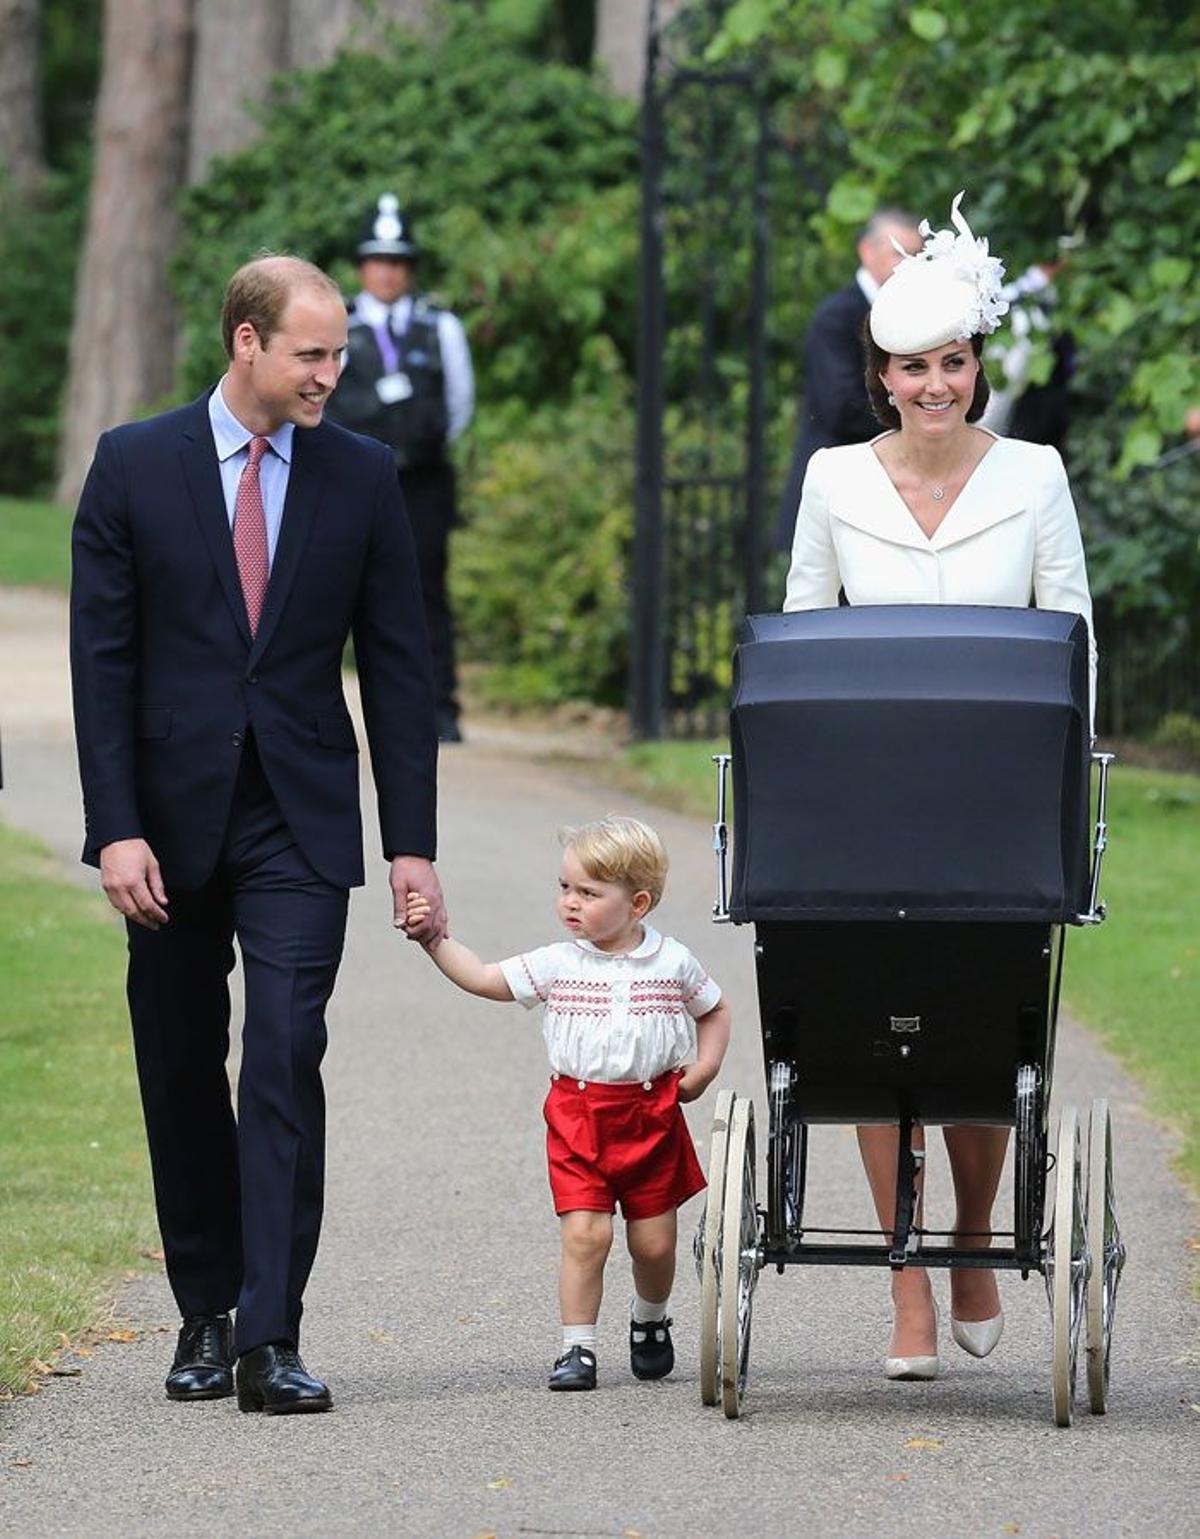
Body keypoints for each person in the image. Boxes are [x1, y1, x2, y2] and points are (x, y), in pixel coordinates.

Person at [69, 254, 446, 1415]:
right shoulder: (135, 465)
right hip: (168, 831)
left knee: (284, 1052)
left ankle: (269, 1337)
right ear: (247, 343)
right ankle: (204, 1311)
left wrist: (411, 843)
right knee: (182, 1066)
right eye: (314, 355)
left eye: (335, 354)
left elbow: (396, 665)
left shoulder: (362, 476)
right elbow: (104, 666)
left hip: (299, 814)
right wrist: (115, 832)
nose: (334, 373)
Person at [783, 191, 1095, 1381]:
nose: (934, 387)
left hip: (997, 798)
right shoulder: (833, 481)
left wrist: (1068, 785)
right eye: (911, 368)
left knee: (978, 1032)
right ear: (883, 373)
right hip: (861, 801)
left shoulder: (1035, 473)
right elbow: (804, 634)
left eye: (953, 364)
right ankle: (906, 1276)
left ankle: (971, 1238)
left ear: (977, 365)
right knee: (866, 1037)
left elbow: (1070, 634)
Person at [404, 815, 731, 1392]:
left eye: (588, 893)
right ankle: (576, 1348)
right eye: (565, 888)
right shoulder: (559, 963)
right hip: (578, 1117)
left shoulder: (672, 962)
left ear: (638, 903)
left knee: (654, 1244)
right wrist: (435, 940)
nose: (570, 904)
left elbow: (714, 1011)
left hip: (652, 1115)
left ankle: (650, 1319)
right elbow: (483, 978)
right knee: (587, 1235)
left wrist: (703, 1070)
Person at [324, 194, 474, 743]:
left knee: (425, 594)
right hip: (349, 482)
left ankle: (439, 711)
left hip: (421, 482)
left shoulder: (441, 328)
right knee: (335, 593)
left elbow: (459, 405)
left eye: (397, 261)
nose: (387, 272)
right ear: (363, 266)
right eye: (377, 260)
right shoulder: (340, 324)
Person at [773, 206, 921, 551]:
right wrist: (918, 419)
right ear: (867, 251)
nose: (910, 265)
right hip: (839, 492)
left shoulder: (913, 315)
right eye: (901, 253)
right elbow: (840, 408)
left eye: (917, 255)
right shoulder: (837, 317)